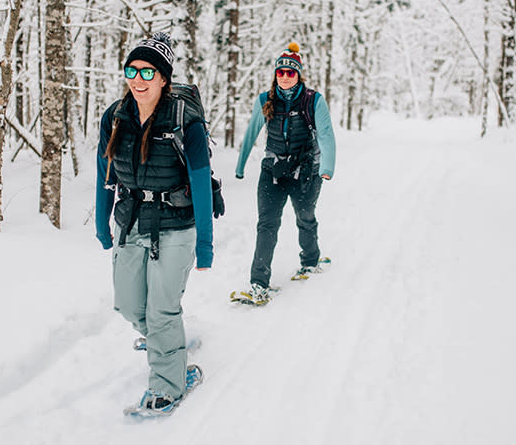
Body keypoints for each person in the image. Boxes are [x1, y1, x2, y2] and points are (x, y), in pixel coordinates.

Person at [95, 32, 211, 415]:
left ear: (164, 78)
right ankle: (169, 346)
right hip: (130, 222)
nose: (138, 78)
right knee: (129, 306)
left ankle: (169, 385)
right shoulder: (114, 117)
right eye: (132, 69)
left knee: (161, 309)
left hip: (176, 224)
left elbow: (200, 182)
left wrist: (206, 245)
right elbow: (103, 174)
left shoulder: (185, 120)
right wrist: (101, 220)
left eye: (148, 71)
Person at [234, 42, 336, 304]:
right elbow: (251, 133)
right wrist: (240, 164)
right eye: (280, 72)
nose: (285, 77)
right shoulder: (265, 100)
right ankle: (258, 283)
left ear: (298, 75)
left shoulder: (313, 100)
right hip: (273, 170)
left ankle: (311, 260)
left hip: (306, 171)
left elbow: (325, 136)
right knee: (266, 224)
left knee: (305, 217)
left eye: (290, 73)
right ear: (275, 74)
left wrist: (326, 168)